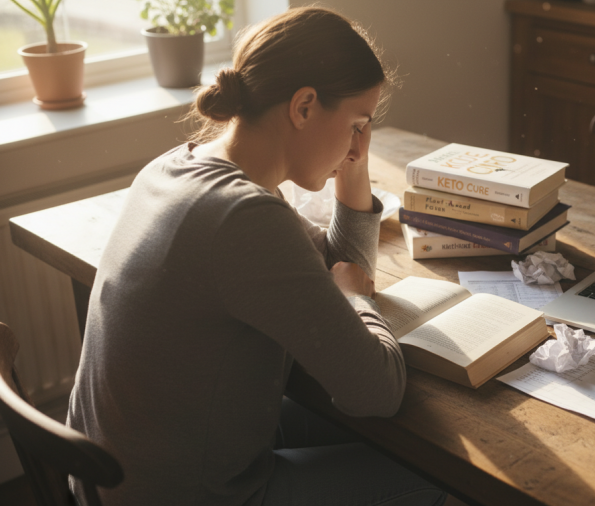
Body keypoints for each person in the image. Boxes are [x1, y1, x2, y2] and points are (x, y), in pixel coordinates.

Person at [67, 7, 447, 506]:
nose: (359, 143)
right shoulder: (243, 217)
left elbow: (336, 264)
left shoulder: (182, 166)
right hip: (180, 494)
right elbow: (375, 390)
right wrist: (356, 300)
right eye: (356, 125)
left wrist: (353, 166)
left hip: (122, 471)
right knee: (438, 478)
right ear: (304, 106)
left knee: (374, 439)